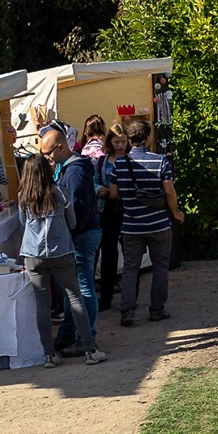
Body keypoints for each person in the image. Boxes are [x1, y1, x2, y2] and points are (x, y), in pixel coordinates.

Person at [18, 145, 106, 368]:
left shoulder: (23, 197)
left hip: (33, 254)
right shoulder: (60, 192)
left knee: (42, 304)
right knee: (75, 298)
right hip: (61, 252)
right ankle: (90, 349)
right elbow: (72, 222)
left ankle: (48, 355)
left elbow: (22, 224)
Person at [42, 123, 106, 356]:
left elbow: (76, 210)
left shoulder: (75, 171)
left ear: (60, 147)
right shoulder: (70, 168)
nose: (46, 158)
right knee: (73, 290)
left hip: (81, 236)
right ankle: (69, 335)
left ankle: (87, 338)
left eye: (48, 153)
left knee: (84, 289)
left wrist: (67, 232)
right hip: (80, 234)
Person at [113, 119, 180, 325]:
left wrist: (131, 199)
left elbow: (114, 193)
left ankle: (127, 312)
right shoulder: (160, 161)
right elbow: (169, 191)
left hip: (131, 226)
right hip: (158, 223)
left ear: (129, 139)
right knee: (160, 267)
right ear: (148, 138)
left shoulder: (120, 163)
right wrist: (176, 213)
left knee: (130, 269)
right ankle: (157, 310)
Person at [82, 120, 123, 311]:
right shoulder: (102, 161)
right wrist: (98, 188)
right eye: (116, 142)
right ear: (110, 142)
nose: (120, 145)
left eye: (123, 141)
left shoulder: (130, 160)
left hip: (124, 209)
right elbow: (93, 180)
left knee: (115, 252)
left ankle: (116, 295)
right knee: (103, 251)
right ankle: (101, 297)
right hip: (105, 209)